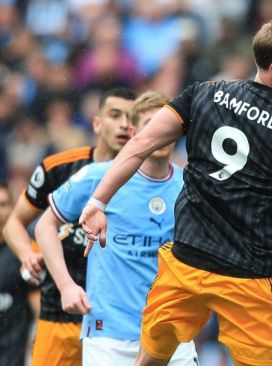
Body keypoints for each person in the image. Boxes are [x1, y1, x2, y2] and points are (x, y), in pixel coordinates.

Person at [79, 17, 272, 366]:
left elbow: (141, 144)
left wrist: (98, 201)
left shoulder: (204, 93)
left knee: (149, 363)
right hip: (246, 278)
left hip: (186, 265)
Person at [36, 91, 198, 365]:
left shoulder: (189, 187)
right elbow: (45, 225)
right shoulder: (101, 177)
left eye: (164, 125)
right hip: (108, 335)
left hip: (170, 332)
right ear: (134, 131)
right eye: (149, 124)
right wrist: (66, 287)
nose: (158, 133)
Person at [2, 87, 136, 366]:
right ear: (97, 123)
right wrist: (28, 255)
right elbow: (14, 223)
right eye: (115, 115)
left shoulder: (150, 178)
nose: (124, 123)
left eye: (132, 117)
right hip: (60, 315)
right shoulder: (59, 168)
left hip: (121, 323)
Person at [0, 182, 39, 366]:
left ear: (13, 207)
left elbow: (38, 307)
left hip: (13, 357)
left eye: (3, 204)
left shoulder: (25, 251)